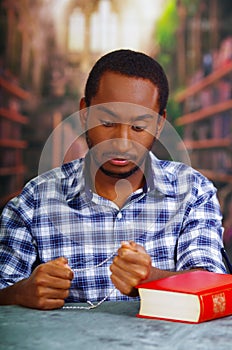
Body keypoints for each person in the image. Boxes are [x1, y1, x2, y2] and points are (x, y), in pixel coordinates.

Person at [0, 49, 227, 310]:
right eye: (107, 122)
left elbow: (213, 286)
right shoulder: (33, 201)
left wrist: (151, 279)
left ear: (160, 124)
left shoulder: (193, 191)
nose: (122, 142)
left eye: (139, 127)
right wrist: (19, 293)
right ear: (84, 113)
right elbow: (4, 287)